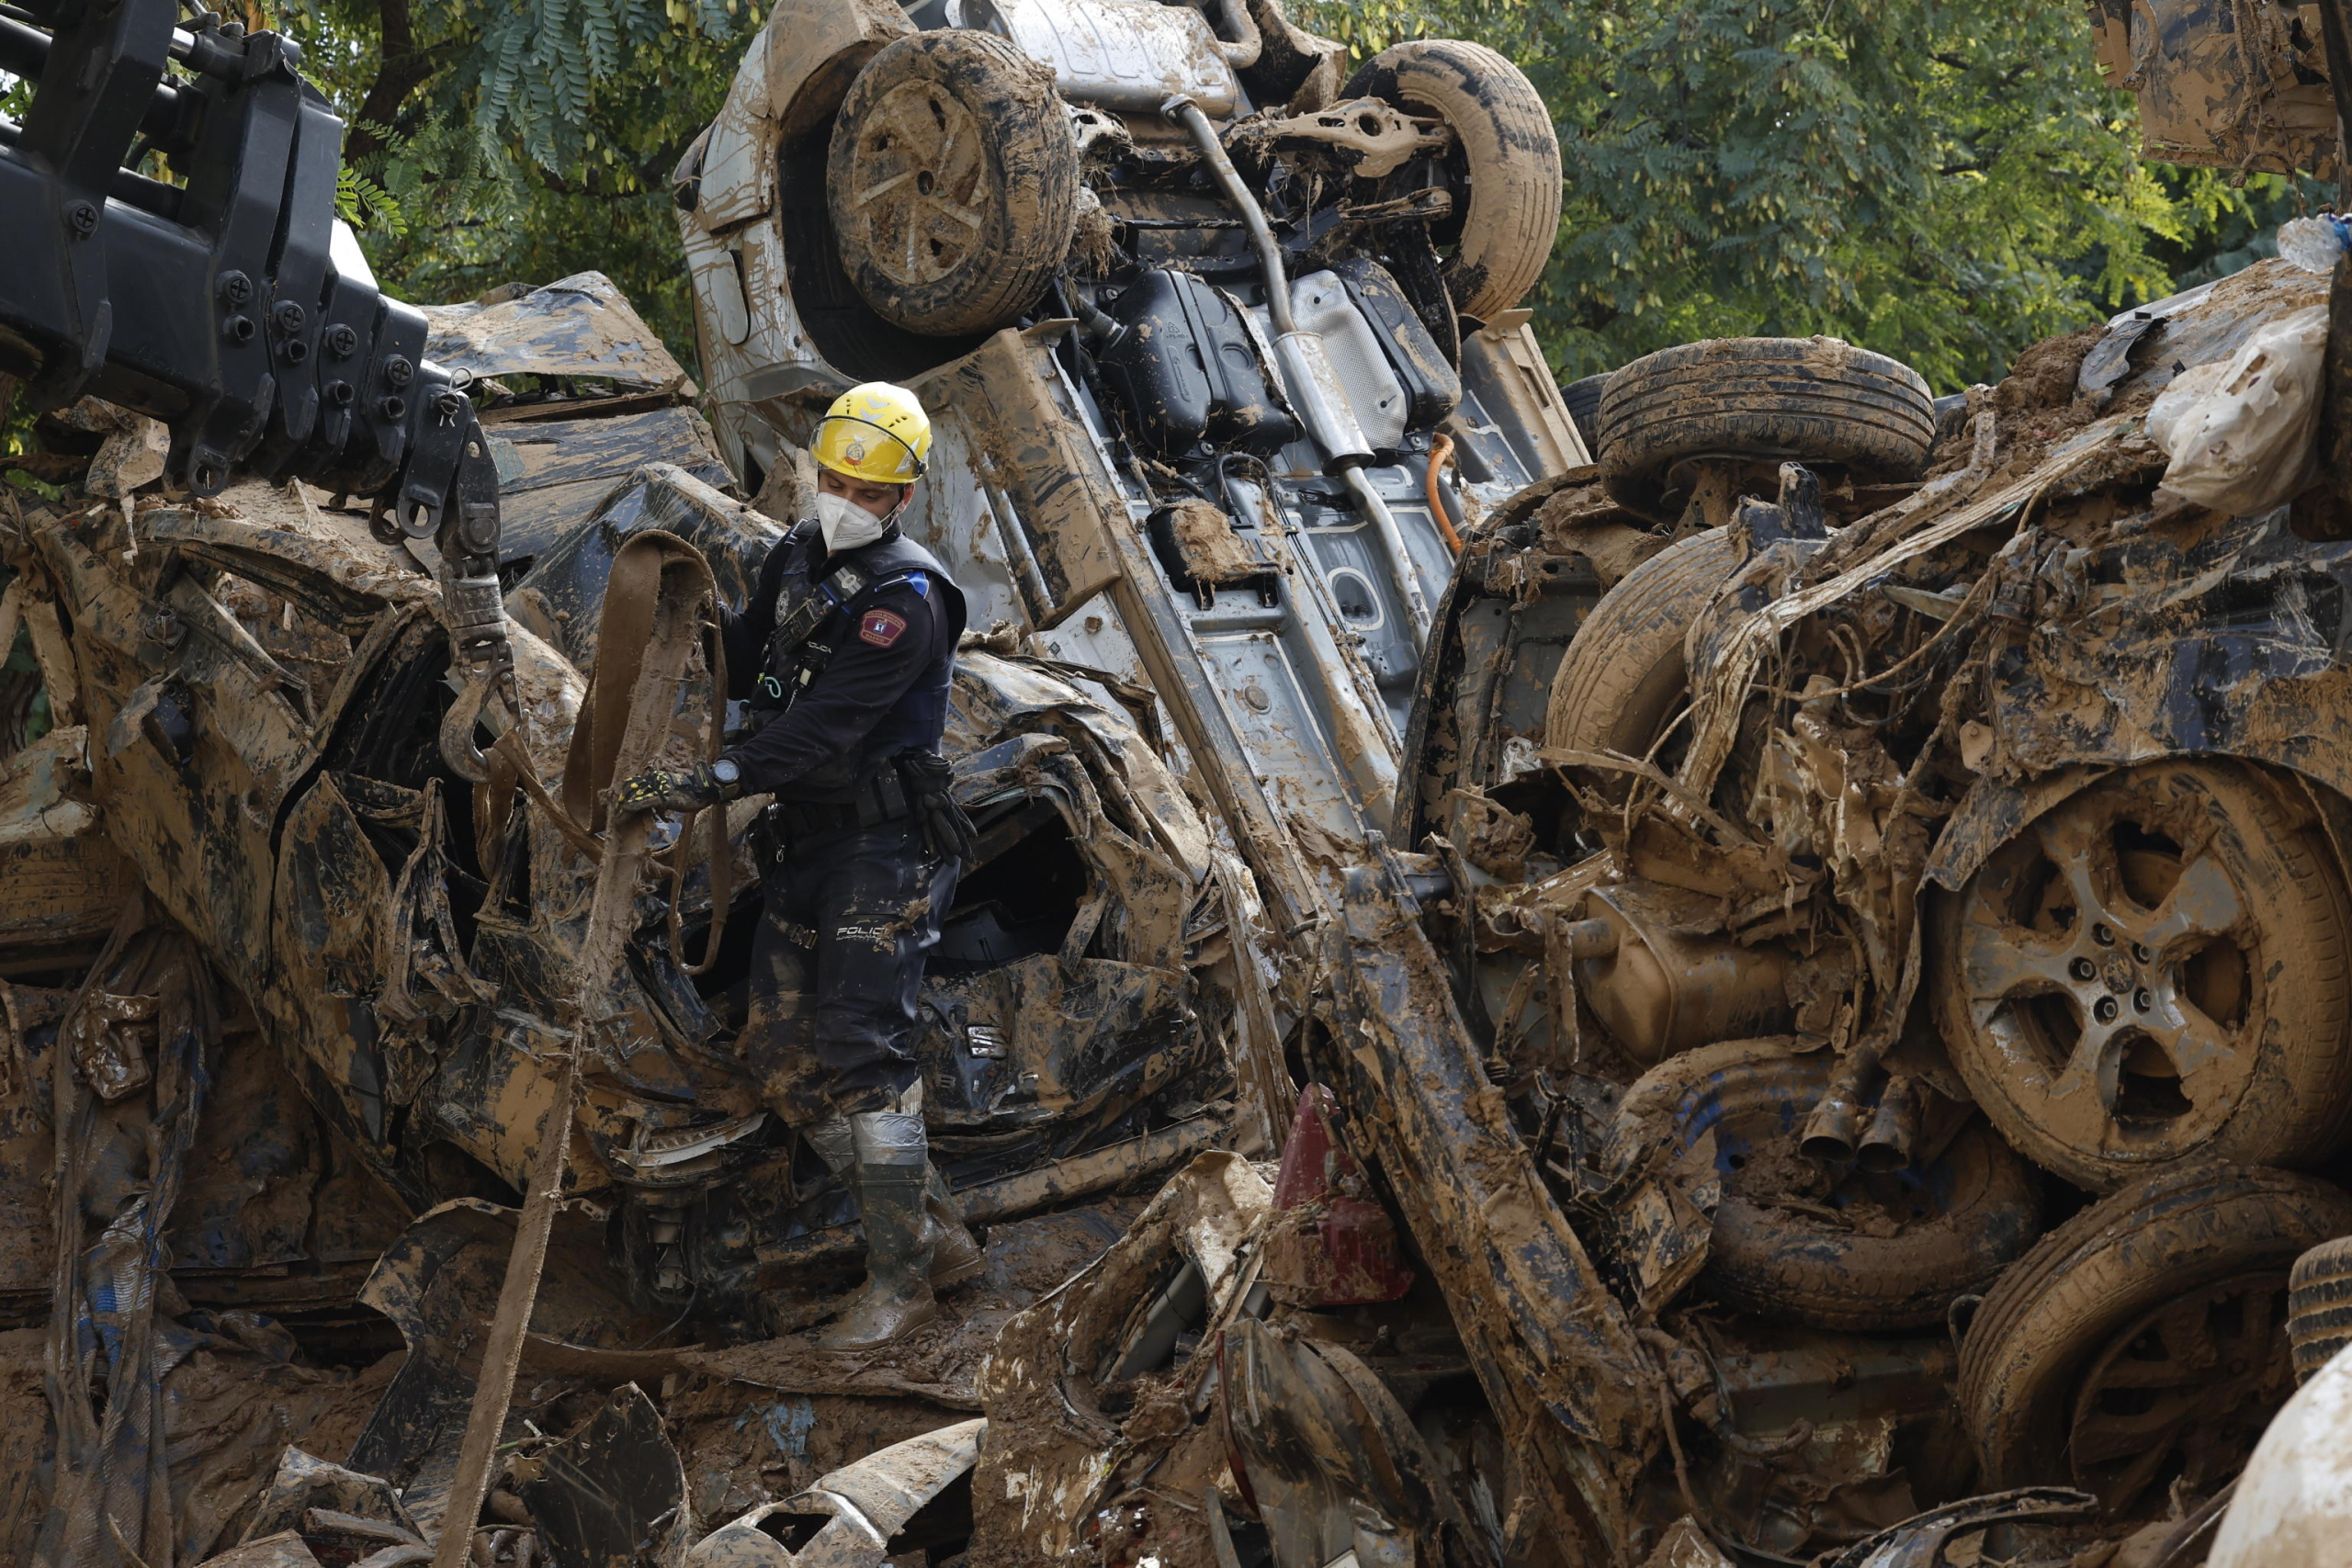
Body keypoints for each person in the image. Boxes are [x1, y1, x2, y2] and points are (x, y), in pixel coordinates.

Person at [613, 382, 979, 1348]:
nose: (842, 498)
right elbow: (755, 663)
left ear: (903, 497)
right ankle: (932, 1232)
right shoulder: (797, 554)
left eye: (865, 487)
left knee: (865, 1054)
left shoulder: (910, 601)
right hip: (809, 843)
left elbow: (820, 731)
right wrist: (687, 620)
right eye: (831, 478)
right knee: (780, 1055)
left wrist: (705, 781)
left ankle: (900, 1287)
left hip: (883, 849)